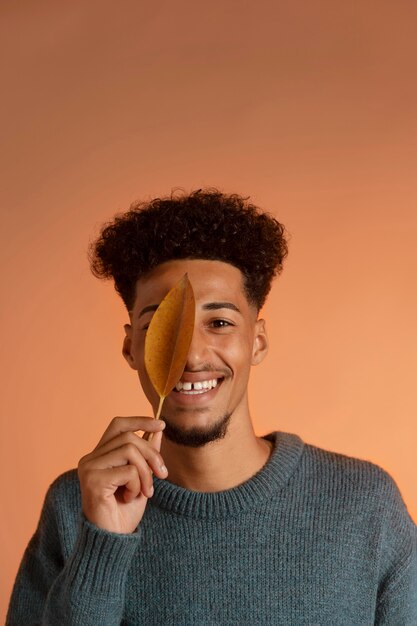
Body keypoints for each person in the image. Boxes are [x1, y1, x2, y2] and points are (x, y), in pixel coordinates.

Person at [7, 189, 416, 625]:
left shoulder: (364, 505)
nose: (191, 355)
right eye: (161, 325)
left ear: (256, 341)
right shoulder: (77, 506)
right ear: (130, 347)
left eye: (219, 323)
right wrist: (103, 544)